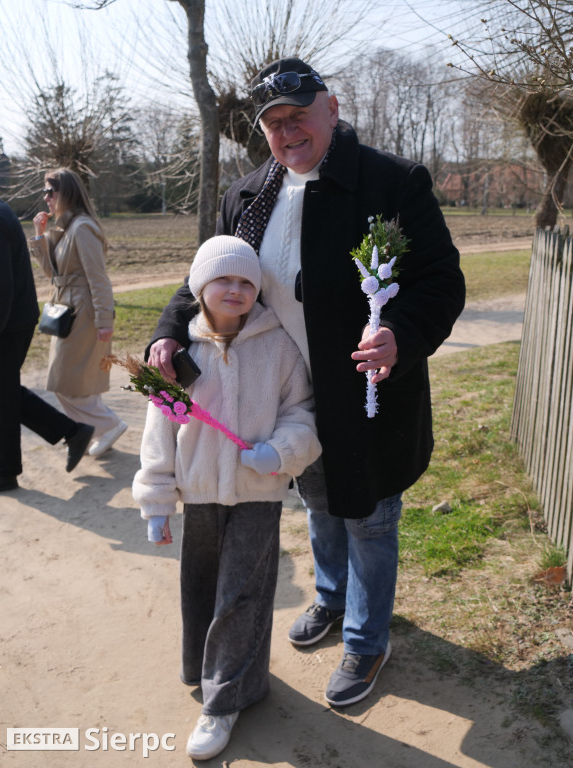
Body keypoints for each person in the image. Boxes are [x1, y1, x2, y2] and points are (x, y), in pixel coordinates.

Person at [147, 58, 466, 708]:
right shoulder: (249, 195)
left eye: (299, 114)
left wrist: (399, 335)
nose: (288, 131)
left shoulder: (391, 183)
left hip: (367, 392)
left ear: (333, 108)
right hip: (286, 396)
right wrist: (170, 327)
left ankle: (366, 639)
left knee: (369, 517)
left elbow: (441, 279)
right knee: (317, 502)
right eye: (273, 122)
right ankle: (330, 597)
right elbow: (206, 274)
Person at [132, 235, 321, 760]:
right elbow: (158, 432)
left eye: (245, 281)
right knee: (200, 585)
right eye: (222, 280)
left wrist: (281, 452)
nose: (235, 290)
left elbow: (301, 412)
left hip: (257, 492)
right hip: (198, 496)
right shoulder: (177, 354)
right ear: (199, 287)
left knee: (243, 593)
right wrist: (156, 501)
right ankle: (218, 674)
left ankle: (221, 703)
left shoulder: (279, 346)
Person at [0, 196, 94, 492]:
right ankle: (72, 431)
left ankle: (5, 474)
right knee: (4, 390)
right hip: (11, 318)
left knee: (2, 396)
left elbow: (0, 288)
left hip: (9, 322)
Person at [29, 168, 127, 458]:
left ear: (67, 193)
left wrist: (104, 321)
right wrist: (38, 236)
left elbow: (98, 278)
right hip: (66, 308)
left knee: (65, 382)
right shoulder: (65, 227)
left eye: (51, 191)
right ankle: (100, 429)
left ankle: (109, 424)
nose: (46, 198)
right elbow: (52, 273)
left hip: (82, 312)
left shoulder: (82, 228)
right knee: (78, 381)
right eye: (45, 192)